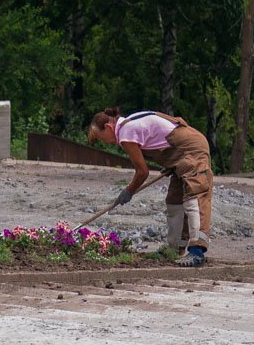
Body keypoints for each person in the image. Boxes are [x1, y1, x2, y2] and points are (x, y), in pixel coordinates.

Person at [87, 107, 213, 267]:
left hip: (191, 151)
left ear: (108, 127)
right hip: (180, 155)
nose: (104, 142)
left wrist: (129, 191)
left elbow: (142, 172)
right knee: (174, 201)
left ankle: (197, 252)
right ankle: (175, 249)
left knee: (194, 197)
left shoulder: (126, 132)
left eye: (100, 137)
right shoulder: (128, 125)